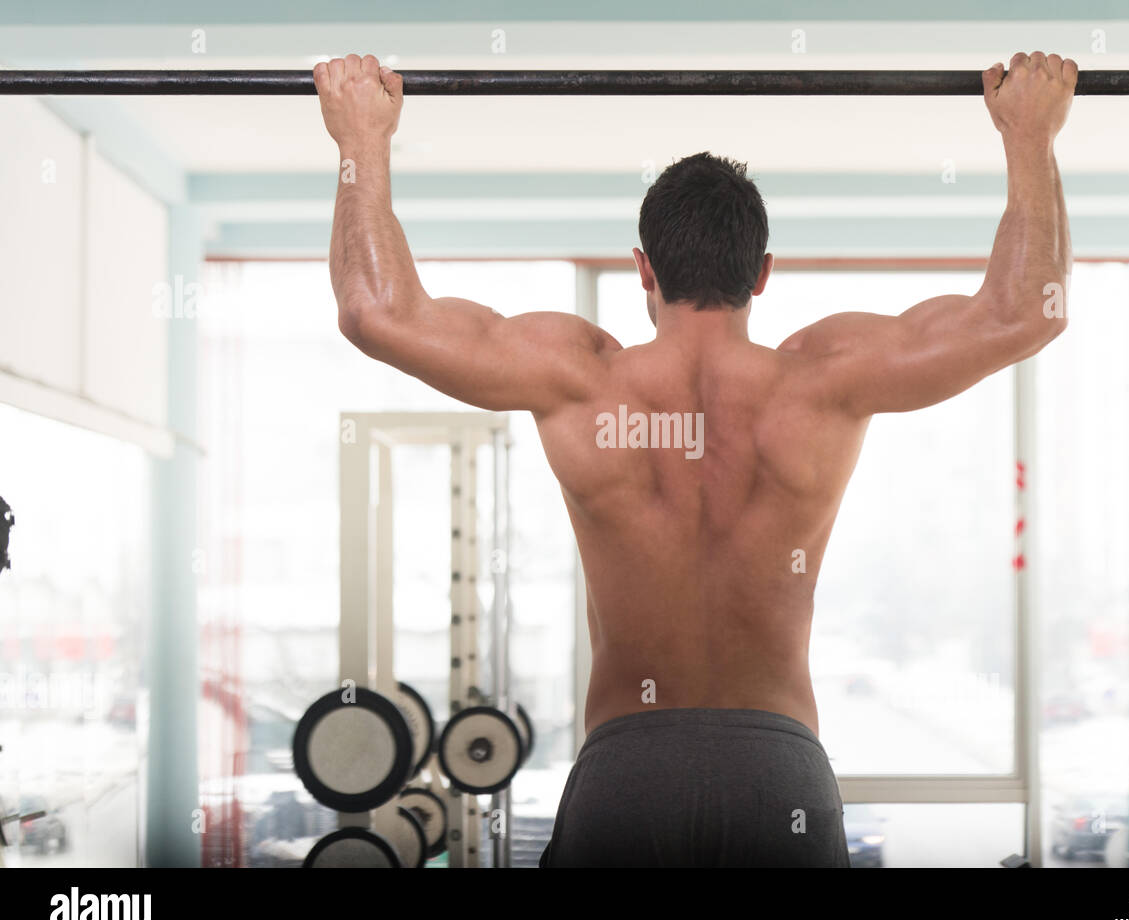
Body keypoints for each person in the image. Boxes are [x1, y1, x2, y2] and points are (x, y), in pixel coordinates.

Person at [314, 50, 1074, 866]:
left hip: (626, 771)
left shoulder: (579, 381)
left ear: (644, 268)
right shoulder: (824, 381)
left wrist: (363, 136)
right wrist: (1029, 136)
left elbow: (372, 310)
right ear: (764, 273)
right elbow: (1026, 311)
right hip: (777, 773)